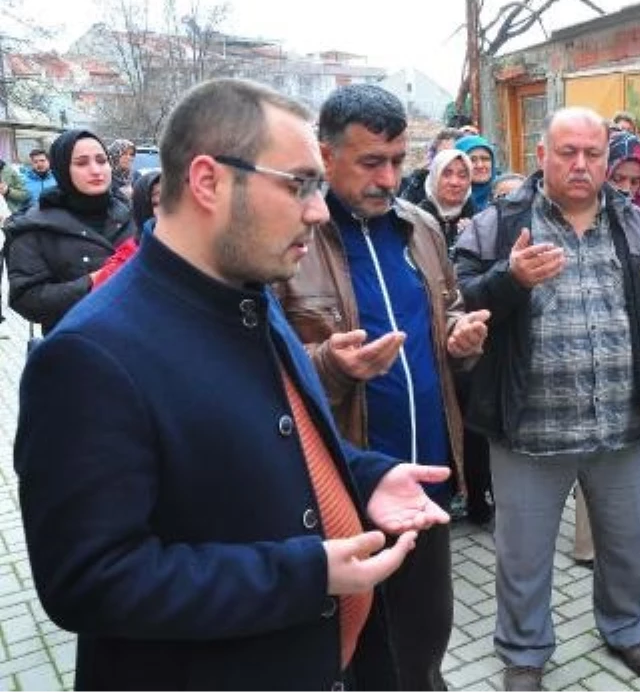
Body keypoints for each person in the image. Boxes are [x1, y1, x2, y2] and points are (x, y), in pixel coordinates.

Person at [15, 77, 451, 690]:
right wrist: (305, 575)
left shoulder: (248, 291)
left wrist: (365, 475)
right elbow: (89, 582)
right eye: (300, 184)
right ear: (208, 181)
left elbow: (274, 440)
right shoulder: (89, 356)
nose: (319, 210)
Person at [454, 106, 640, 691]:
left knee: (628, 545)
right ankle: (524, 650)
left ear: (609, 161)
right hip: (529, 430)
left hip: (621, 422)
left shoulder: (639, 223)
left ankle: (627, 630)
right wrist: (510, 279)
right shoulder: (496, 225)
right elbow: (461, 303)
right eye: (568, 152)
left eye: (593, 153)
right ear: (542, 157)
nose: (581, 164)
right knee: (523, 556)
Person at [276, 83, 490, 691]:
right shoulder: (292, 237)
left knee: (424, 637)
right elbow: (263, 375)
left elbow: (446, 311)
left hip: (427, 480)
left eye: (399, 160)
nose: (390, 177)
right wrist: (335, 367)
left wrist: (459, 337)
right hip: (343, 490)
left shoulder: (420, 228)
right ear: (324, 154)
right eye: (372, 162)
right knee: (358, 649)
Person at [572, 130, 640, 572]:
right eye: (621, 176)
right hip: (589, 361)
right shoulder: (578, 217)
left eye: (636, 179)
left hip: (639, 362)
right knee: (590, 463)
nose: (628, 188)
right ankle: (590, 546)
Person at [5, 129, 134, 333]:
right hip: (76, 350)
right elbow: (26, 299)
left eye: (101, 160)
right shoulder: (35, 227)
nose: (96, 170)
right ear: (63, 169)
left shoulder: (133, 215)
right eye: (82, 163)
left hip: (140, 347)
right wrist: (93, 281)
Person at [418, 148, 477, 249]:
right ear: (434, 178)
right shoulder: (417, 219)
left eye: (462, 176)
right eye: (446, 174)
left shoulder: (478, 219)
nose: (454, 182)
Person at [455, 134, 499, 213]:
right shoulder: (449, 199)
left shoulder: (505, 192)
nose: (480, 165)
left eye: (485, 159)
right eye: (472, 160)